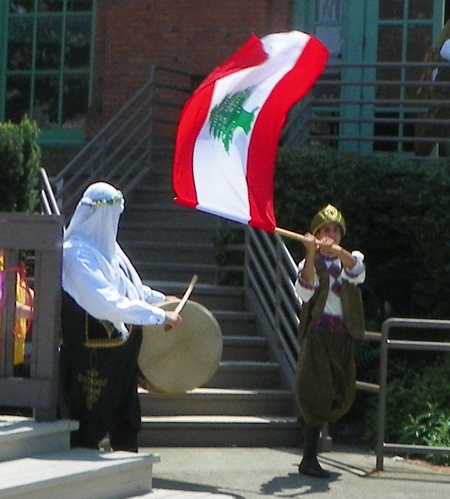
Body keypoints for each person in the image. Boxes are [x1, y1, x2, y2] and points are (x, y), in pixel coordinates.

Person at [59, 181, 182, 452]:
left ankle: (126, 454)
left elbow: (132, 288)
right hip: (91, 356)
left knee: (126, 416)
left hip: (120, 351)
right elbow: (106, 302)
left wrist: (163, 301)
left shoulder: (109, 249)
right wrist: (157, 317)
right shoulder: (76, 255)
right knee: (89, 422)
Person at [294, 204, 365, 478]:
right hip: (318, 336)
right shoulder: (308, 264)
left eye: (335, 230)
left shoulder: (350, 258)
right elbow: (305, 291)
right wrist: (311, 253)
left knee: (342, 393)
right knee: (316, 393)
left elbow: (356, 271)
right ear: (317, 232)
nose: (331, 234)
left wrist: (337, 252)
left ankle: (307, 424)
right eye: (326, 230)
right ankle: (309, 458)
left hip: (342, 336)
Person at [415, 19, 450, 157]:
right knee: (435, 126)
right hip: (443, 92)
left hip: (443, 90)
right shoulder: (446, 44)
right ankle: (418, 165)